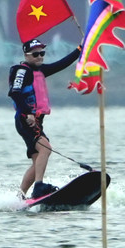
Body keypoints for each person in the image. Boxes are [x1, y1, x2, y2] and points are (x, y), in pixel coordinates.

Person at [8, 37, 80, 199]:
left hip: (36, 121)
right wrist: (28, 113)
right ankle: (39, 187)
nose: (39, 57)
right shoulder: (21, 71)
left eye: (42, 53)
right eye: (35, 54)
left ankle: (19, 197)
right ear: (26, 56)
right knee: (45, 148)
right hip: (25, 119)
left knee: (37, 161)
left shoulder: (40, 70)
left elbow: (61, 64)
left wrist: (81, 49)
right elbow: (15, 92)